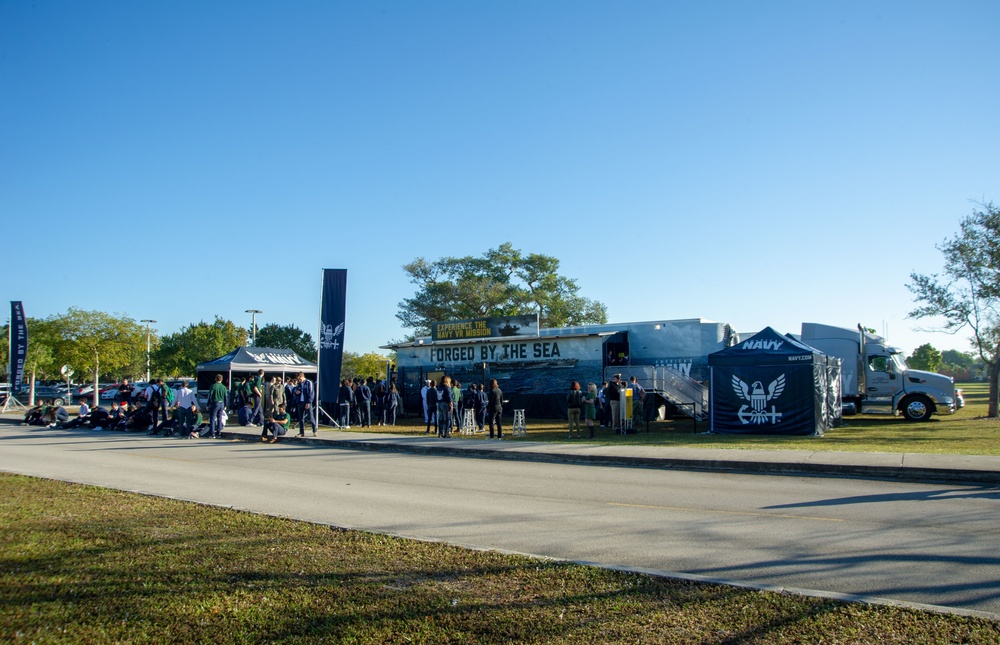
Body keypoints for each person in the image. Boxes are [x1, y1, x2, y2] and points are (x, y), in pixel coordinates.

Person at [207, 373, 228, 439]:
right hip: (221, 403)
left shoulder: (213, 386)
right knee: (220, 418)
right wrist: (225, 405)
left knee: (212, 418)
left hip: (215, 403)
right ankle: (219, 433)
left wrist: (208, 404)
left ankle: (212, 434)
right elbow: (225, 397)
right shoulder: (224, 387)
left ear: (215, 379)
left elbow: (210, 396)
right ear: (221, 380)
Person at [295, 372, 316, 437]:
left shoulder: (308, 382)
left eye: (299, 378)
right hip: (300, 402)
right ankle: (301, 432)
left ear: (302, 376)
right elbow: (296, 392)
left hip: (307, 402)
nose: (299, 380)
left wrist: (309, 402)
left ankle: (314, 430)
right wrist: (297, 393)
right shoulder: (299, 384)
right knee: (301, 418)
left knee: (310, 417)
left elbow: (311, 393)